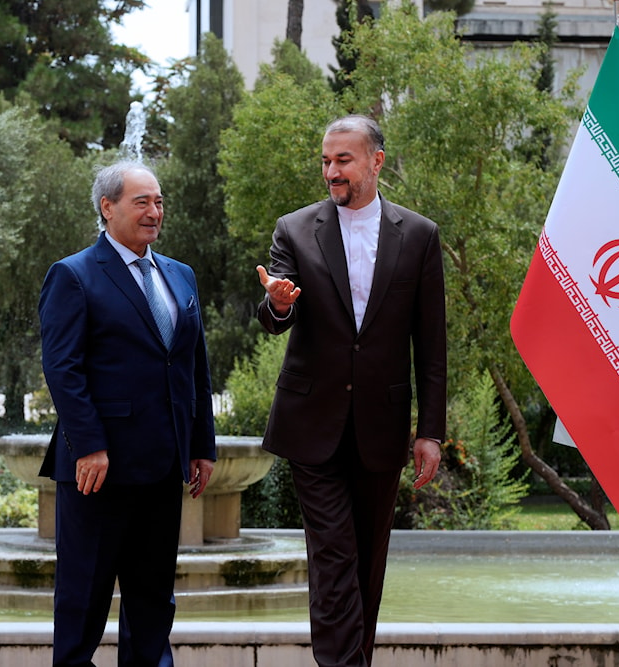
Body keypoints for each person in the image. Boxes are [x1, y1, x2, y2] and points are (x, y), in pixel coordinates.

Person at [255, 115, 447, 667]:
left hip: (382, 427)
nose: (331, 171)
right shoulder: (294, 229)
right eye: (325, 161)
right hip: (310, 423)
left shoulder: (420, 235)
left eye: (343, 160)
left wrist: (429, 432)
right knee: (334, 554)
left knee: (367, 560)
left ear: (375, 162)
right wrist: (280, 303)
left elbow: (431, 346)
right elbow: (273, 314)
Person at [39, 160, 217, 667]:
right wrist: (89, 444)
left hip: (164, 469)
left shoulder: (180, 275)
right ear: (107, 207)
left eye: (159, 201)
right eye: (142, 201)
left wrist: (202, 445)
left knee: (153, 604)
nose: (154, 211)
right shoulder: (72, 275)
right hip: (99, 471)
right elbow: (63, 369)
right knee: (83, 604)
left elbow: (193, 368)